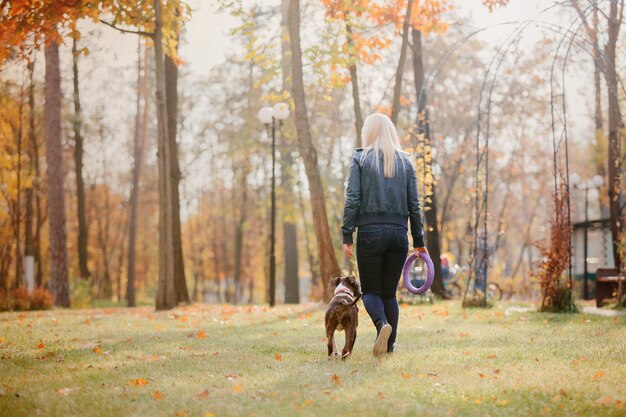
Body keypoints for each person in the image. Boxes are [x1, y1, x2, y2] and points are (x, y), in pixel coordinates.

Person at [341, 113, 428, 356]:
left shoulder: (360, 158)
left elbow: (353, 199)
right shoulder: (406, 162)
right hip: (399, 235)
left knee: (370, 291)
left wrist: (347, 233)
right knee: (389, 293)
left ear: (368, 132)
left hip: (369, 233)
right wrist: (419, 241)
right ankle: (389, 348)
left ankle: (382, 325)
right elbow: (415, 205)